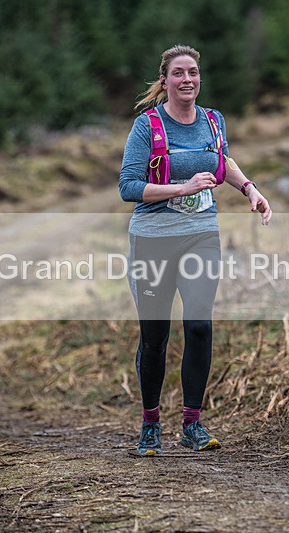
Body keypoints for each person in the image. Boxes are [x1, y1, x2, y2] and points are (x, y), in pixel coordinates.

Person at [119, 44, 272, 455]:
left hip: (201, 234)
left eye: (193, 73)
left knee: (200, 326)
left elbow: (221, 160)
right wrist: (180, 188)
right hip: (153, 240)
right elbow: (128, 187)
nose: (188, 80)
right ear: (165, 80)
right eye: (179, 73)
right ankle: (150, 424)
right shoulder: (146, 126)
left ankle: (192, 423)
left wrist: (249, 189)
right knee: (155, 336)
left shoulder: (212, 120)